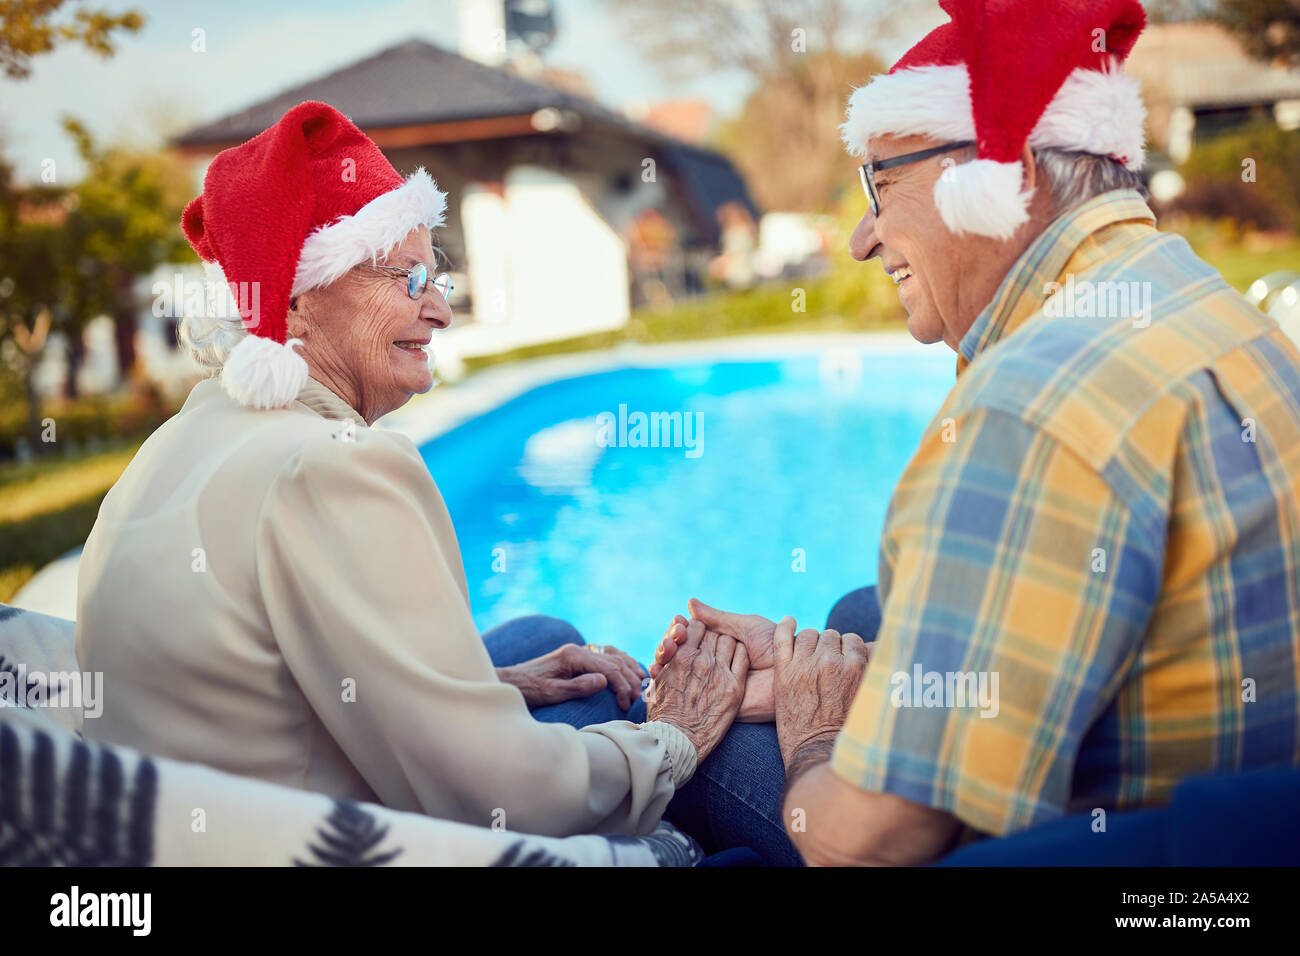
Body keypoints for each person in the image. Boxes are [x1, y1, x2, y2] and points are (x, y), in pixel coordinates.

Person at [653, 0, 1300, 865]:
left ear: (1009, 170)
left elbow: (871, 846)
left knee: (702, 748)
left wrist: (815, 734)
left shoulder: (1028, 406)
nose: (860, 238)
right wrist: (832, 671)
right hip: (1224, 826)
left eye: (881, 183)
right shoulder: (1189, 295)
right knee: (854, 617)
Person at [75, 101, 750, 843]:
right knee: (729, 800)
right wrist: (675, 736)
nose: (439, 311)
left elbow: (254, 697)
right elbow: (509, 801)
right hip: (308, 846)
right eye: (410, 279)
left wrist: (488, 688)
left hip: (186, 833)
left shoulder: (182, 441)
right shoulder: (329, 466)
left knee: (542, 639)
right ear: (296, 300)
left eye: (439, 278)